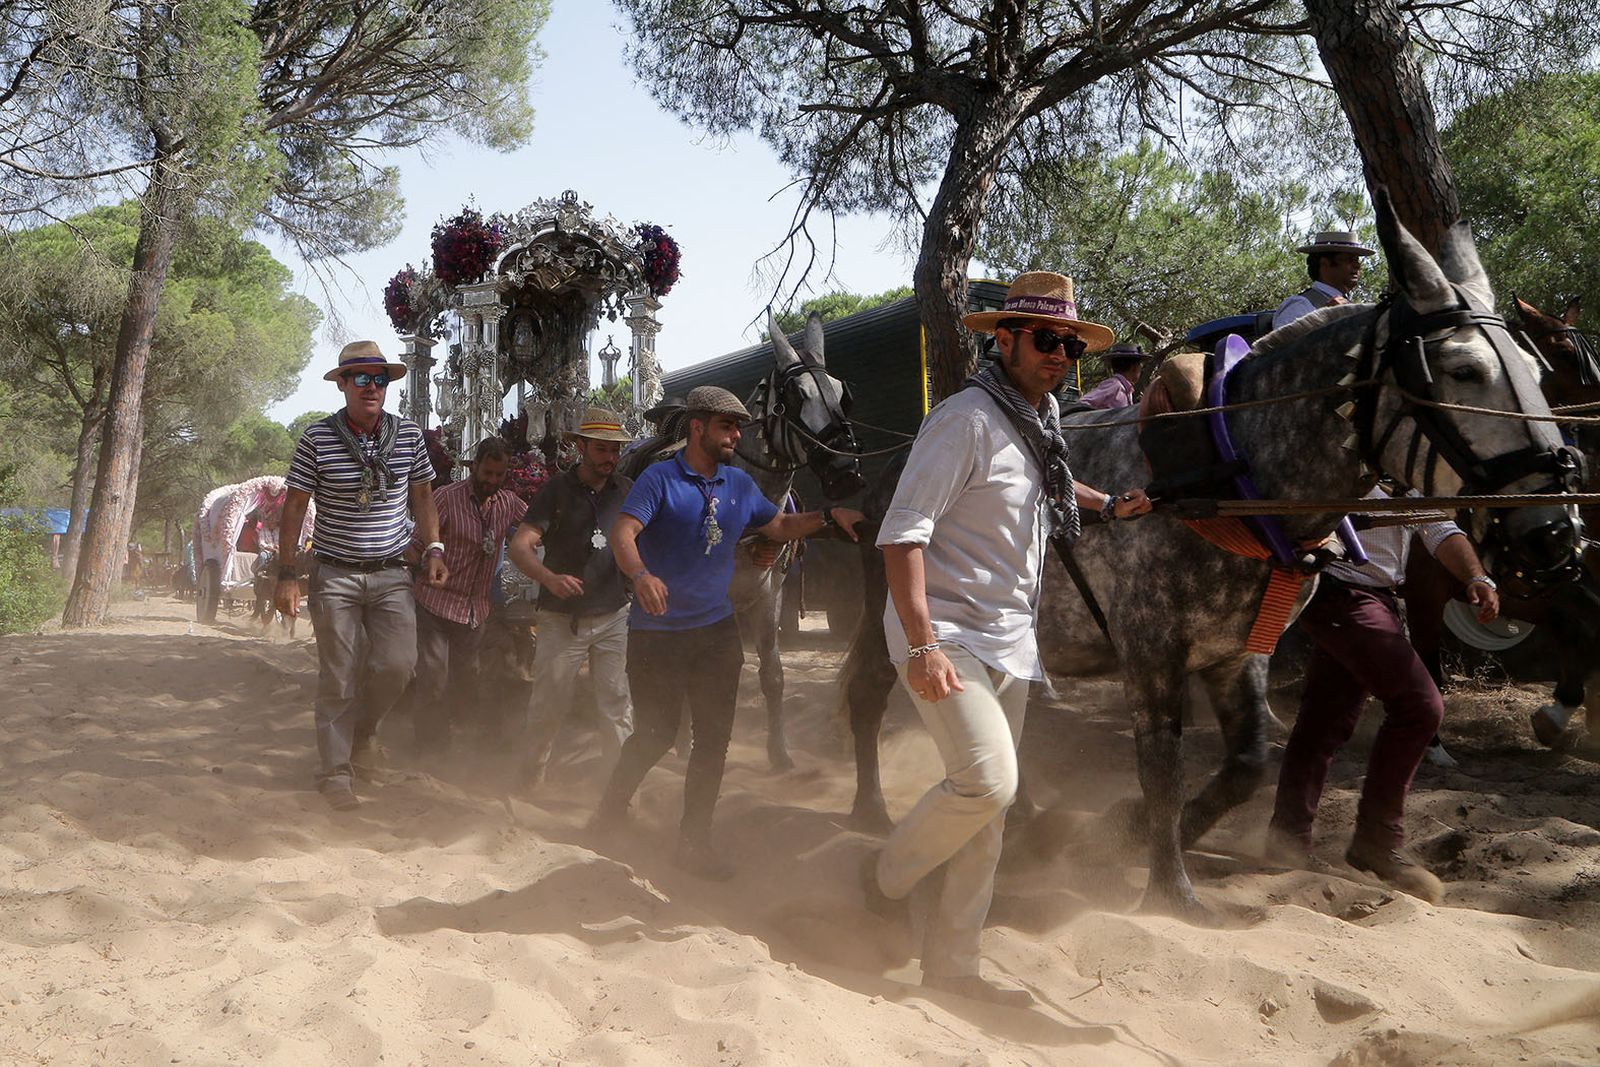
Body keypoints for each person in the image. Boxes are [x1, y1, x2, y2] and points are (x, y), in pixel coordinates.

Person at [866, 272, 1152, 1007]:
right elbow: (901, 533)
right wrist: (925, 643)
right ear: (1005, 339)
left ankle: (954, 967)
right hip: (946, 632)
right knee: (991, 782)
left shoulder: (1037, 420)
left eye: (1070, 344)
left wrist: (1110, 506)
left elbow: (1047, 485)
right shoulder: (965, 419)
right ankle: (883, 882)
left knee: (986, 813)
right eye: (1046, 340)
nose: (1060, 354)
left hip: (1008, 639)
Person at [594, 385, 866, 880]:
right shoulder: (658, 478)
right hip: (655, 634)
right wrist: (641, 575)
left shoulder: (739, 485)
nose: (736, 435)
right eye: (726, 426)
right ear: (697, 427)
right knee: (654, 735)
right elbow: (622, 533)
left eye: (739, 427)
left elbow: (779, 524)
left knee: (713, 740)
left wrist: (828, 516)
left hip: (716, 633)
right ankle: (609, 810)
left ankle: (693, 842)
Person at [1265, 486, 1499, 901]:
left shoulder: (1399, 476)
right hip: (1342, 592)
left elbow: (1440, 527)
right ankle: (1377, 843)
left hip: (1374, 598)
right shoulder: (1344, 466)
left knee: (1324, 723)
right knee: (1420, 707)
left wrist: (1475, 577)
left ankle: (1286, 841)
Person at [275, 340, 445, 811]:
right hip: (335, 573)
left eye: (380, 379)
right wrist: (288, 574)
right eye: (361, 378)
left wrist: (433, 546)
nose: (372, 387)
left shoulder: (409, 436)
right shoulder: (316, 439)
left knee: (398, 665)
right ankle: (334, 771)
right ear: (343, 384)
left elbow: (425, 497)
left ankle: (364, 731)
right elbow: (294, 507)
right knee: (339, 675)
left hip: (392, 572)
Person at [508, 407, 637, 789]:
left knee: (617, 706)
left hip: (615, 614)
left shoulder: (627, 491)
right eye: (601, 449)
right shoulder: (556, 491)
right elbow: (519, 546)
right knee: (549, 705)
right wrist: (549, 578)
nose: (609, 458)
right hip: (562, 619)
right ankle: (531, 778)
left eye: (614, 451)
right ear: (581, 447)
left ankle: (619, 791)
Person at [408, 436, 523, 753]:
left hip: (475, 611)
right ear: (474, 467)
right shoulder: (446, 497)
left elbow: (534, 525)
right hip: (435, 603)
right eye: (487, 473)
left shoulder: (508, 503)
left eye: (499, 475)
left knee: (468, 679)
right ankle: (428, 749)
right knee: (433, 677)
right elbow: (418, 544)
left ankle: (462, 743)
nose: (492, 481)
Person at [1272, 231, 1377, 330]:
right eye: (1349, 259)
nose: (1357, 265)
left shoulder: (1347, 304)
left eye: (1357, 260)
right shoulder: (1300, 305)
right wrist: (1323, 317)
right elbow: (1281, 346)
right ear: (1324, 264)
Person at [1080, 342, 1147, 410]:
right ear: (1134, 367)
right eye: (1140, 366)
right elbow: (1082, 403)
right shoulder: (1115, 385)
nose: (1140, 370)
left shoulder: (1127, 391)